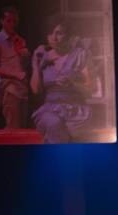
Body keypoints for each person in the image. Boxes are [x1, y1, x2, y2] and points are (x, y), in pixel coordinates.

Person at [29, 15, 92, 143]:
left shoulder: (79, 55)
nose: (54, 38)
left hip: (75, 112)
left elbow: (90, 88)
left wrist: (72, 83)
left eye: (59, 33)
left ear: (67, 34)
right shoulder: (42, 57)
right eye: (50, 33)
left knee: (69, 131)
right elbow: (36, 90)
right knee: (54, 123)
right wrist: (35, 65)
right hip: (49, 111)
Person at [0, 5, 30, 129]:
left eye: (15, 21)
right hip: (9, 90)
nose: (12, 24)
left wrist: (25, 56)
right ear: (2, 21)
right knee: (13, 129)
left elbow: (24, 67)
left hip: (23, 89)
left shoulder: (20, 40)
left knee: (23, 129)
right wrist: (14, 74)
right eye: (9, 21)